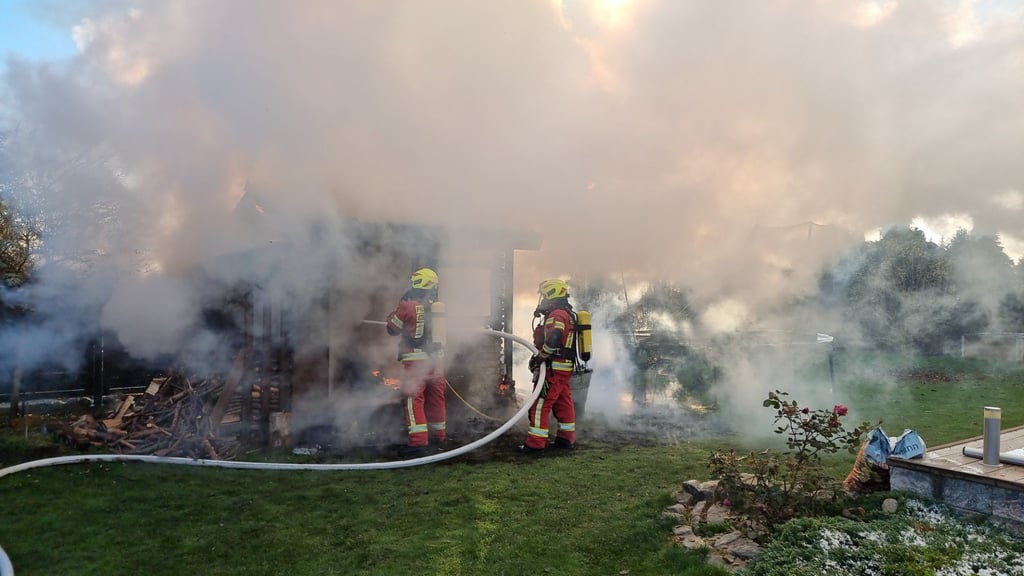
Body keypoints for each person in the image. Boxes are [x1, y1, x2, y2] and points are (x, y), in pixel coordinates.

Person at [386, 267, 449, 454]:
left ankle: (418, 441)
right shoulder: (437, 307)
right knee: (437, 398)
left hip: (415, 362)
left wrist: (396, 310)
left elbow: (392, 328)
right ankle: (439, 437)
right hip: (436, 363)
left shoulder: (408, 306)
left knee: (415, 399)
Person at [519, 278, 578, 455]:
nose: (542, 300)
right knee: (563, 403)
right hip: (564, 367)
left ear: (552, 294)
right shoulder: (567, 313)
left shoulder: (557, 315)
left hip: (553, 367)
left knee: (539, 405)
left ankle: (535, 445)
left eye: (544, 296)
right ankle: (565, 439)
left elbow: (554, 339)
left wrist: (539, 358)